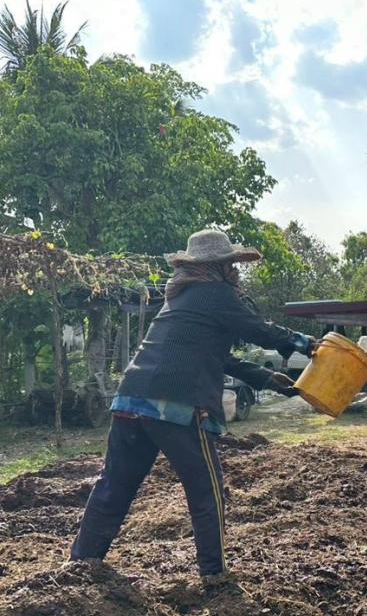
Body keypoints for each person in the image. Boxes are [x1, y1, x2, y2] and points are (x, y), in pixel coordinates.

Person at [69, 229, 315, 587]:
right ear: (218, 267)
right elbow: (260, 330)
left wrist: (265, 378)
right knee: (206, 490)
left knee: (114, 486)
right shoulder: (216, 294)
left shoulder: (181, 300)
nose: (235, 270)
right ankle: (214, 575)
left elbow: (218, 356)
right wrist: (308, 345)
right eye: (231, 264)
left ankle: (81, 563)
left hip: (130, 399)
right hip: (177, 406)